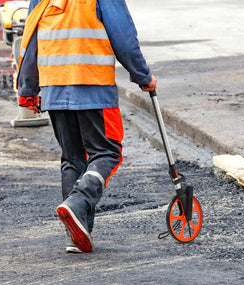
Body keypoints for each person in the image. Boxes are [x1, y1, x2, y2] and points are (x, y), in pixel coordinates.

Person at [17, 0, 157, 253]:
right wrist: (143, 76)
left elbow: (30, 38)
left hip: (54, 88)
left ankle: (77, 235)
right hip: (92, 85)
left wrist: (28, 87)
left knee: (73, 158)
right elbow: (123, 37)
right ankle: (79, 201)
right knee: (107, 152)